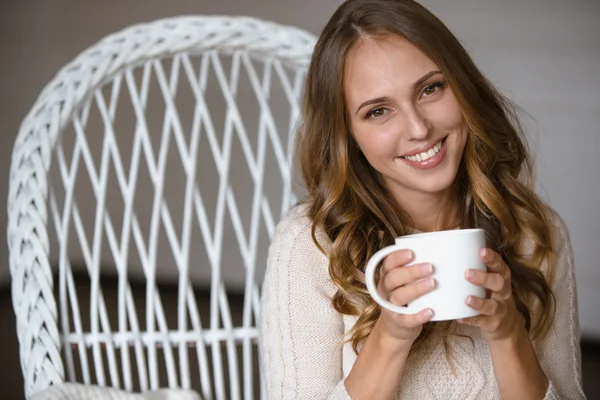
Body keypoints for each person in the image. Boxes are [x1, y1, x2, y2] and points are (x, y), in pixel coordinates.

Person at [258, 0, 586, 399]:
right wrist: (392, 335)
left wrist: (507, 333)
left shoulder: (535, 232)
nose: (418, 128)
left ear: (462, 86)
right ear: (347, 136)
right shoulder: (310, 247)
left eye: (431, 88)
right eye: (378, 111)